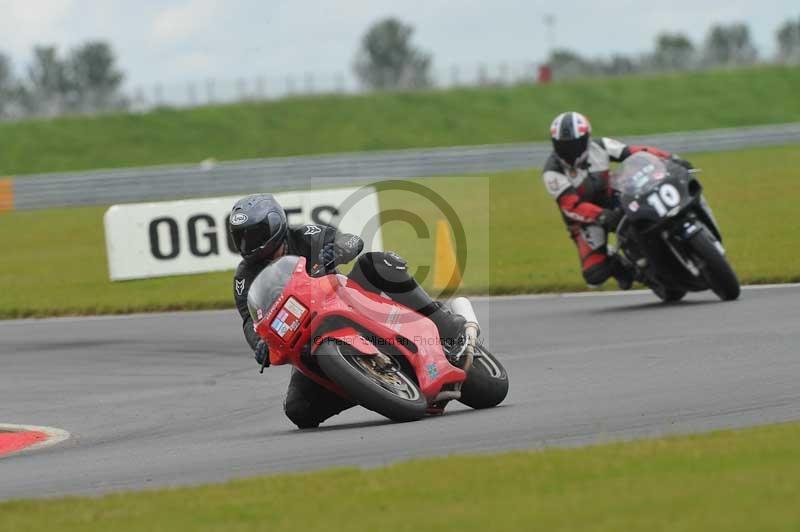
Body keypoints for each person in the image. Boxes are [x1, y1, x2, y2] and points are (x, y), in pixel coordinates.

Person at [229, 193, 466, 429]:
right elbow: (250, 321)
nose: (247, 244)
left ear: (275, 224)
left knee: (376, 263)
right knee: (298, 410)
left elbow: (351, 240)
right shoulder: (245, 278)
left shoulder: (304, 236)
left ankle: (441, 321)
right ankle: (366, 384)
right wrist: (260, 344)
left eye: (254, 234)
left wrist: (338, 251)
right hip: (305, 335)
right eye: (240, 238)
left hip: (345, 300)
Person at [542, 111, 692, 289]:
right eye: (563, 145)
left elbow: (634, 152)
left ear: (586, 139)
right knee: (595, 274)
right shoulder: (552, 172)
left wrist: (669, 159)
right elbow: (571, 206)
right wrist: (602, 216)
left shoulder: (600, 146)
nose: (569, 150)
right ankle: (624, 267)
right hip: (585, 220)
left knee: (650, 208)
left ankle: (677, 238)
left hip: (612, 196)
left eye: (574, 144)